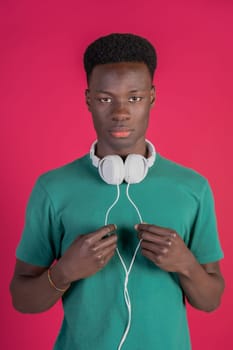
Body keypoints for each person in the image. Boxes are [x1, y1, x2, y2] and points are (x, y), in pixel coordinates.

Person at [10, 33, 224, 350]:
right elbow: (23, 300)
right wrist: (65, 271)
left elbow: (210, 301)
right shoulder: (52, 188)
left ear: (152, 97)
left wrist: (186, 264)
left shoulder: (192, 188)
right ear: (88, 99)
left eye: (134, 98)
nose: (120, 112)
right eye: (105, 98)